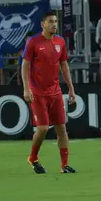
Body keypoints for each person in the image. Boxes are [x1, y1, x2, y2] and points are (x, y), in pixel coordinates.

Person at [22, 11, 77, 174]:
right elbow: (25, 65)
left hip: (55, 92)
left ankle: (64, 165)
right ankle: (33, 158)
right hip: (38, 92)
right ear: (43, 24)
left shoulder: (60, 41)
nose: (54, 24)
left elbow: (64, 65)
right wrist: (26, 88)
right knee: (44, 128)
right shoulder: (33, 42)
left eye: (55, 21)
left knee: (61, 128)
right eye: (50, 21)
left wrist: (71, 88)